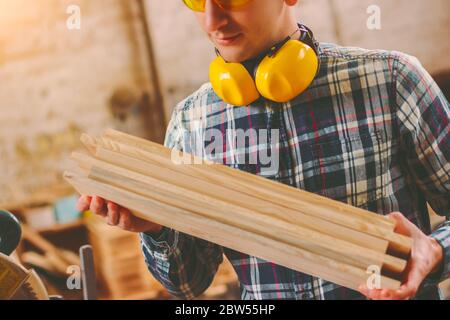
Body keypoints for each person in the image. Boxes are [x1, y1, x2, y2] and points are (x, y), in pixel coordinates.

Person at [77, 0, 450, 300]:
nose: (212, 20)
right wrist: (157, 227)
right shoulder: (192, 123)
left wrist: (435, 250)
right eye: (195, 0)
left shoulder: (391, 80)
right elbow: (189, 284)